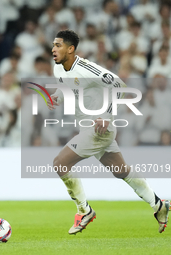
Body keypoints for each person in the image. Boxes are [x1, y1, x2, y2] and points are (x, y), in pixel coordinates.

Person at [48, 30, 169, 235]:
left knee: (60, 163)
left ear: (71, 49)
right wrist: (57, 97)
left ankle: (84, 211)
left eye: (58, 45)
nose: (53, 49)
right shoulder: (58, 68)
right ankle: (158, 204)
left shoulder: (88, 69)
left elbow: (120, 86)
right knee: (121, 171)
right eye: (53, 44)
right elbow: (67, 86)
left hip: (99, 128)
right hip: (89, 128)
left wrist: (107, 115)